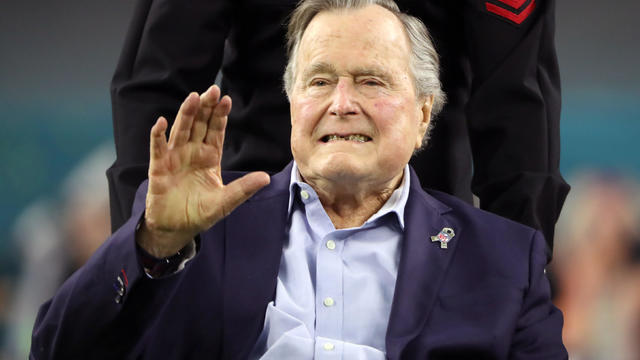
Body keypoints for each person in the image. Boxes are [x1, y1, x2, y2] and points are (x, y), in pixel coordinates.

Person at [33, 1, 566, 358]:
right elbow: (156, 77)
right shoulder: (205, 252)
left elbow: (518, 99)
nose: (342, 102)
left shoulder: (496, 263)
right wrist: (152, 246)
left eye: (369, 81)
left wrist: (503, 281)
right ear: (295, 96)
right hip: (236, 204)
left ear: (426, 111)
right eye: (321, 82)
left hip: (431, 214)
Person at [108, 0, 570, 262]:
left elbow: (516, 102)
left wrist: (514, 276)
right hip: (255, 228)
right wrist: (147, 253)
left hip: (422, 236)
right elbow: (158, 88)